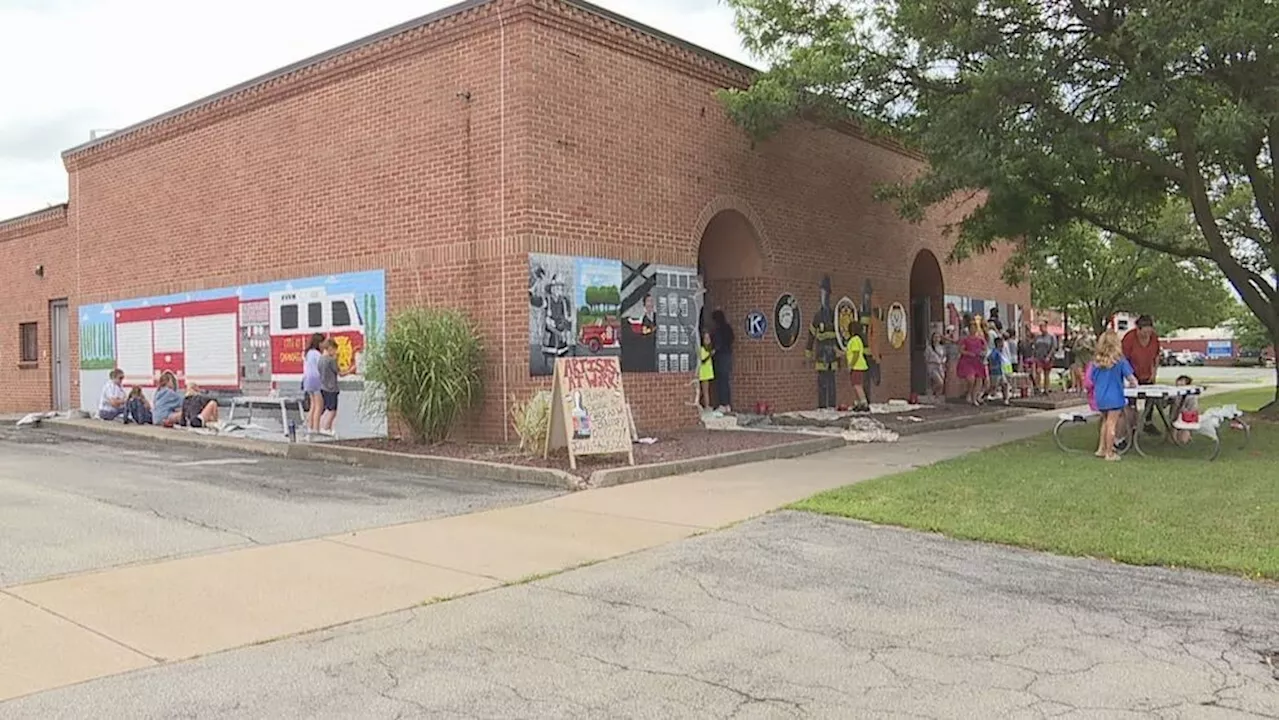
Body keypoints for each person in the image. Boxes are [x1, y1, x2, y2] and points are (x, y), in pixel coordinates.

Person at [1089, 330, 1137, 462]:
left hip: (1101, 397)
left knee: (1105, 421)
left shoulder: (1096, 362)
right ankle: (1109, 453)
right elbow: (1131, 378)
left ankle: (1102, 448)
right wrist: (1134, 384)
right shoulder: (1120, 361)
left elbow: (1092, 379)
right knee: (1112, 424)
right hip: (1114, 396)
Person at [1122, 315, 1162, 436]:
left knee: (1151, 397)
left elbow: (1156, 356)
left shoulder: (1154, 339)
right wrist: (1129, 376)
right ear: (1138, 329)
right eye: (1144, 332)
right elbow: (1123, 359)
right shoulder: (1129, 338)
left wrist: (1154, 373)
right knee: (1131, 402)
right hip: (1132, 373)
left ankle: (1148, 423)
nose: (1147, 335)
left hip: (1147, 374)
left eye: (1149, 331)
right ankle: (1131, 427)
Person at [318, 338, 351, 435]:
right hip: (332, 388)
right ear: (330, 348)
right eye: (334, 349)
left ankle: (322, 427)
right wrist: (351, 370)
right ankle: (326, 428)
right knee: (333, 411)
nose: (335, 352)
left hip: (323, 387)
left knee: (327, 409)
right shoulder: (330, 360)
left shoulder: (320, 359)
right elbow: (340, 373)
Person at [956, 316, 988, 406]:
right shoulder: (965, 339)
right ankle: (969, 393)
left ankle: (975, 398)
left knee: (979, 380)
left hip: (977, 361)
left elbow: (985, 348)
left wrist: (983, 353)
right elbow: (961, 350)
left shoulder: (980, 339)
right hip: (968, 361)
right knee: (971, 379)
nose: (973, 330)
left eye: (974, 328)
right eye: (971, 328)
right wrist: (969, 353)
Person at [710, 309, 735, 413]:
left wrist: (714, 350)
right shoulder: (728, 328)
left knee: (721, 381)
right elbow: (732, 339)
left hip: (720, 356)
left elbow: (718, 343)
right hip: (728, 355)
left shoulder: (718, 330)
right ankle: (727, 404)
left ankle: (722, 404)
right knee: (725, 380)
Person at [301, 332, 326, 436]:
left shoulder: (308, 353)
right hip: (316, 380)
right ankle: (316, 429)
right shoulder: (317, 354)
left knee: (313, 405)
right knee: (319, 406)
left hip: (307, 380)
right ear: (319, 343)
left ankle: (310, 427)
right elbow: (322, 365)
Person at [846, 321, 870, 411]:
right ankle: (859, 402)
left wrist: (851, 365)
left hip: (857, 366)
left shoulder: (854, 340)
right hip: (858, 366)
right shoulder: (857, 339)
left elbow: (855, 354)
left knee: (857, 385)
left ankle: (864, 403)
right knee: (856, 385)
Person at [1170, 375, 1199, 445]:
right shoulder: (1175, 393)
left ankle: (1187, 435)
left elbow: (1192, 411)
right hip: (1174, 418)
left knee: (1183, 440)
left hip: (1187, 418)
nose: (1179, 385)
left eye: (1182, 383)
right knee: (1172, 440)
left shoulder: (1191, 396)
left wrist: (1180, 407)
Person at [1032, 320, 1058, 394]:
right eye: (1040, 327)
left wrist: (1049, 356)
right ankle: (1038, 388)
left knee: (1046, 374)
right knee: (1038, 372)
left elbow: (1053, 347)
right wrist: (1034, 356)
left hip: (1047, 357)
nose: (1040, 328)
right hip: (1039, 357)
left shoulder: (1051, 337)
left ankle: (1046, 389)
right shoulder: (1038, 337)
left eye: (1042, 326)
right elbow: (1035, 347)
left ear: (1046, 327)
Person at [988, 334, 1011, 405]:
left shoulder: (1001, 352)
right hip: (996, 372)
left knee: (1005, 384)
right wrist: (993, 366)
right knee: (993, 386)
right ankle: (984, 396)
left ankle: (1006, 399)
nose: (1003, 344)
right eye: (1001, 343)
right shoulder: (995, 351)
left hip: (1001, 371)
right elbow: (991, 359)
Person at [925, 331, 947, 398]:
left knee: (942, 384)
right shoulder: (929, 348)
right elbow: (926, 358)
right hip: (933, 367)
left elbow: (944, 356)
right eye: (935, 337)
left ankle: (936, 397)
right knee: (939, 382)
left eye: (938, 337)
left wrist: (943, 361)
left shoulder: (942, 348)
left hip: (940, 367)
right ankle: (931, 391)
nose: (937, 339)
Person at [698, 331, 715, 409]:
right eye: (706, 339)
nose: (708, 340)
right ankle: (706, 405)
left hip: (708, 371)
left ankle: (705, 404)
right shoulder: (701, 349)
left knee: (706, 390)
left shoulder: (709, 348)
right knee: (704, 391)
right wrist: (710, 355)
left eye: (709, 338)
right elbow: (703, 360)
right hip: (703, 372)